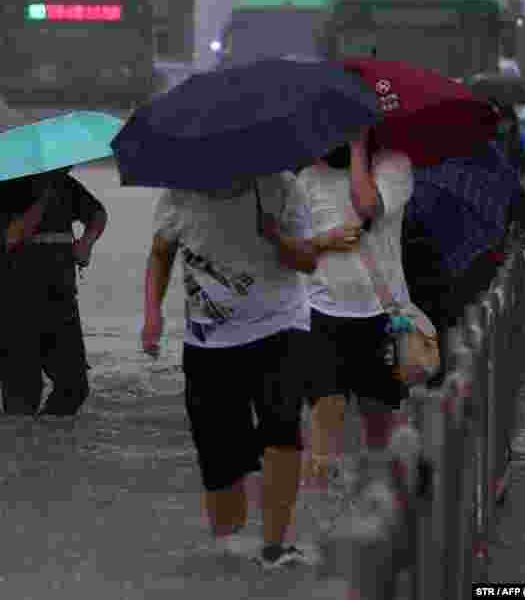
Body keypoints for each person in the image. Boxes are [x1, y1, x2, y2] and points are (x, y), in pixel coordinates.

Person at [141, 172, 361, 568]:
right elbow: (160, 253)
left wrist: (275, 236)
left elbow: (308, 261)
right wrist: (152, 314)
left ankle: (275, 548)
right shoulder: (179, 193)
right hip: (208, 344)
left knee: (282, 427)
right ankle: (231, 553)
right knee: (221, 476)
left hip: (280, 328)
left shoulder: (282, 187)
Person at [297, 129, 414, 488]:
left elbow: (367, 206)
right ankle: (323, 510)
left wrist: (358, 147)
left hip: (382, 317)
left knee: (380, 430)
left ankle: (385, 505)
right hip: (322, 316)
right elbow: (291, 251)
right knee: (323, 427)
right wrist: (324, 241)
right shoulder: (308, 177)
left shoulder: (394, 165)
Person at [0, 166, 107, 416]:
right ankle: (22, 439)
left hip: (62, 298)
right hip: (19, 300)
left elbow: (98, 214)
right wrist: (44, 196)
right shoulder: (5, 189)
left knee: (74, 387)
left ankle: (50, 436)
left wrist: (86, 243)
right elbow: (13, 236)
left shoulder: (67, 184)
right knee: (21, 399)